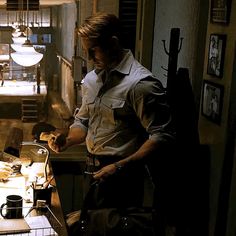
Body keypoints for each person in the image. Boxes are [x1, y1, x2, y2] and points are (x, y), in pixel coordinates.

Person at [47, 12, 175, 235]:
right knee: (90, 230)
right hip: (93, 171)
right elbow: (83, 122)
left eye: (93, 50)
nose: (88, 57)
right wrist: (66, 140)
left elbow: (162, 137)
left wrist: (119, 166)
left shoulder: (140, 84)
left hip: (124, 177)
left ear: (113, 43)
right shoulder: (92, 80)